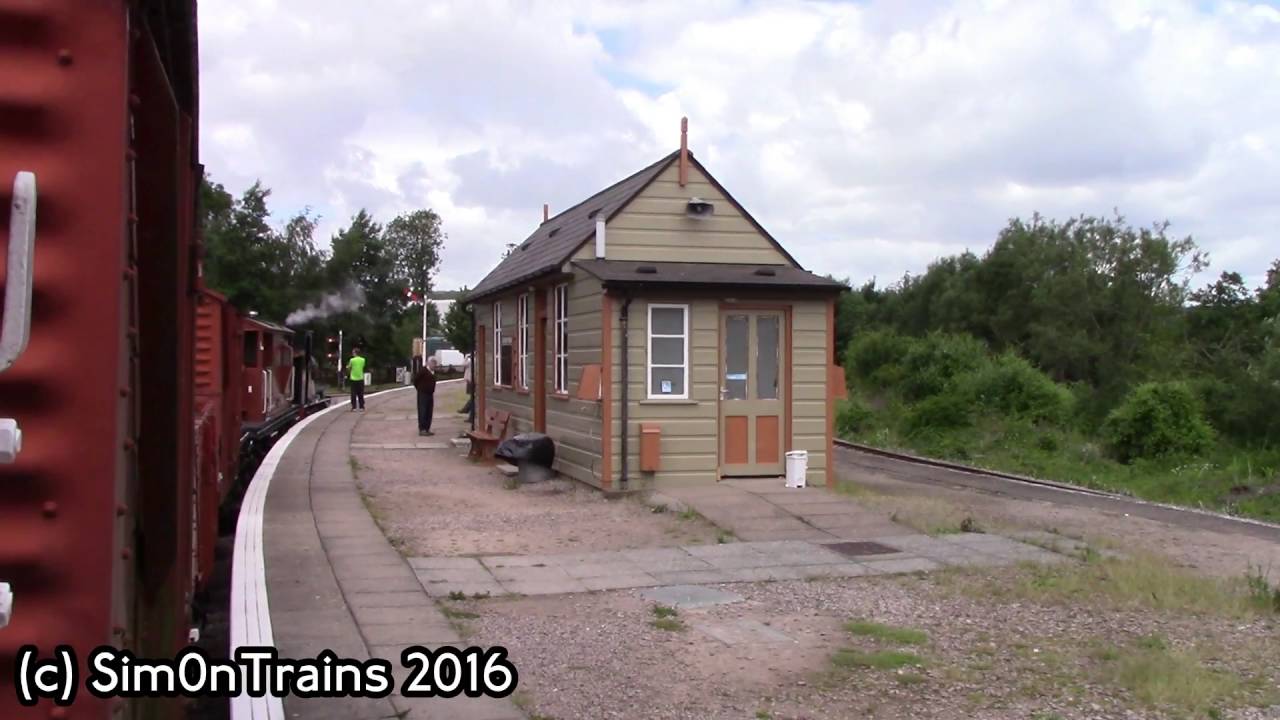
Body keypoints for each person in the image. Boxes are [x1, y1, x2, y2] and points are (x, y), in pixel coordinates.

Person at [413, 357, 438, 436]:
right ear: (428, 363)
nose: (434, 366)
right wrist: (420, 389)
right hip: (423, 393)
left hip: (430, 394)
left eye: (435, 364)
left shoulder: (433, 372)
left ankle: (427, 428)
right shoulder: (423, 371)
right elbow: (415, 380)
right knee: (423, 411)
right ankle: (422, 429)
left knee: (429, 411)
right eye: (433, 364)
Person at [346, 347, 366, 412]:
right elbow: (362, 367)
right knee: (361, 393)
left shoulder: (352, 360)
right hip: (360, 378)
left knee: (353, 393)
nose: (352, 354)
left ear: (355, 353)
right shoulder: (363, 360)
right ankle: (361, 407)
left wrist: (347, 367)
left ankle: (354, 407)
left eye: (353, 352)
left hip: (353, 378)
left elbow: (349, 367)